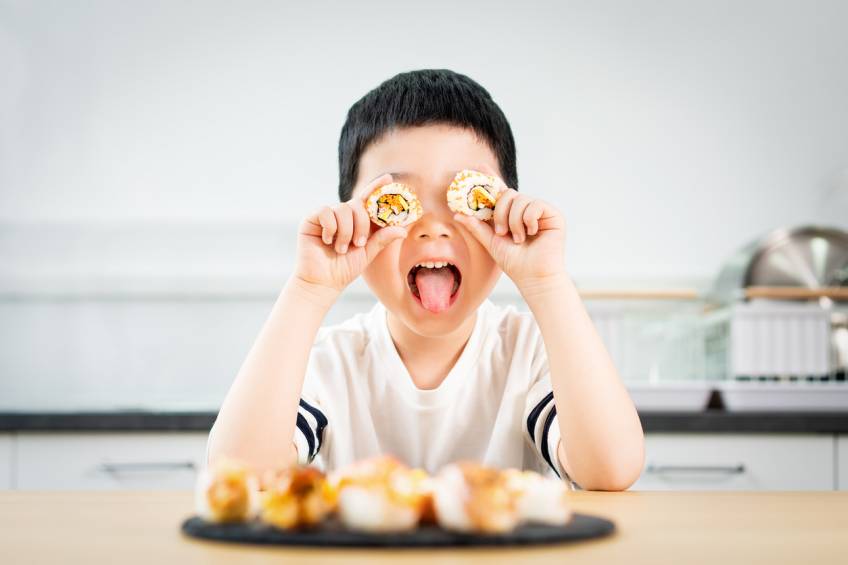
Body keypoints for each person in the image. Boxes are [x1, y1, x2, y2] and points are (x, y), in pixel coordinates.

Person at [207, 69, 644, 490]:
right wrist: (307, 292)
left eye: (470, 200)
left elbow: (609, 470)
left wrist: (547, 283)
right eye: (396, 201)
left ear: (508, 208)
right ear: (351, 217)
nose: (433, 227)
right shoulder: (328, 363)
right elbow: (242, 476)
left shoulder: (532, 354)